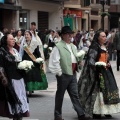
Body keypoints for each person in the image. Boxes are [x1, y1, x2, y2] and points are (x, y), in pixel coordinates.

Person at [49, 26, 91, 120]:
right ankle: (58, 115)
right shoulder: (58, 46)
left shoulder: (73, 46)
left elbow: (75, 58)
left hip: (72, 73)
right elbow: (55, 61)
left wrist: (80, 62)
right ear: (63, 35)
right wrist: (59, 73)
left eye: (71, 34)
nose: (70, 36)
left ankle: (81, 114)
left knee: (75, 94)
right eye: (68, 34)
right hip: (63, 74)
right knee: (60, 95)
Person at [78, 30, 120, 119]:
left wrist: (107, 63)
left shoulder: (104, 46)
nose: (105, 38)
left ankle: (107, 110)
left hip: (105, 71)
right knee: (97, 91)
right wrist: (98, 66)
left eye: (105, 36)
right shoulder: (94, 46)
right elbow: (91, 60)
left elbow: (105, 59)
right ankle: (97, 111)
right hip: (97, 72)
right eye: (103, 36)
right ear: (98, 37)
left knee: (107, 89)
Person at [0, 33, 29, 120]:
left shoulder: (16, 51)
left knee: (21, 99)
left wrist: (26, 67)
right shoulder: (2, 52)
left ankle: (19, 116)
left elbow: (19, 63)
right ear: (6, 41)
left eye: (13, 39)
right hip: (10, 80)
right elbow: (1, 67)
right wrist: (4, 80)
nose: (14, 40)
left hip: (19, 79)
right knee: (14, 100)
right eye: (11, 39)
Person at [19, 30, 48, 95]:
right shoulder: (23, 43)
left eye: (27, 35)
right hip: (25, 60)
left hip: (33, 60)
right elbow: (21, 53)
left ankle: (31, 89)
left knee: (33, 74)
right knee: (26, 74)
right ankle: (27, 88)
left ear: (31, 36)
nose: (26, 36)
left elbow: (37, 52)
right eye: (25, 35)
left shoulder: (35, 43)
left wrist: (39, 59)